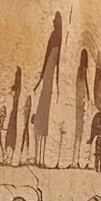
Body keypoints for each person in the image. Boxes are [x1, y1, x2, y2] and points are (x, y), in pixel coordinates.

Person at [32, 12, 62, 166]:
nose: (53, 23)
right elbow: (47, 60)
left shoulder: (59, 38)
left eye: (55, 21)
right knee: (42, 108)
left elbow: (56, 64)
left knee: (45, 110)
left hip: (49, 80)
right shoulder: (55, 36)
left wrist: (55, 83)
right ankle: (38, 155)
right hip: (47, 79)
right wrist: (41, 79)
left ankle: (41, 156)